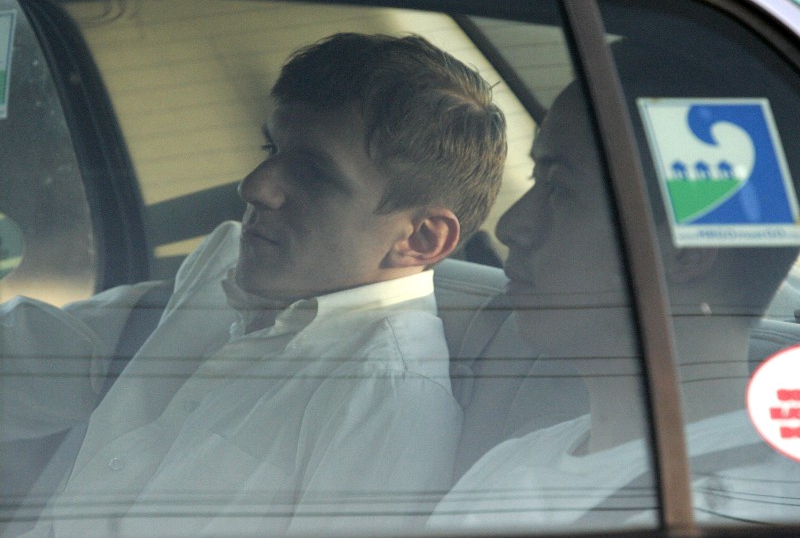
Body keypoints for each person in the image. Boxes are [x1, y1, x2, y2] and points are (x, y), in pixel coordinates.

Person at [1, 32, 507, 537]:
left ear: (421, 238)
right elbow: (40, 358)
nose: (254, 186)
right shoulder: (218, 273)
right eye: (271, 148)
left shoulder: (387, 405)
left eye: (313, 174)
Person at [428, 40, 800, 532]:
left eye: (560, 189)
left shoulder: (747, 510)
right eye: (538, 179)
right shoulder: (510, 462)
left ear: (685, 253)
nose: (511, 225)